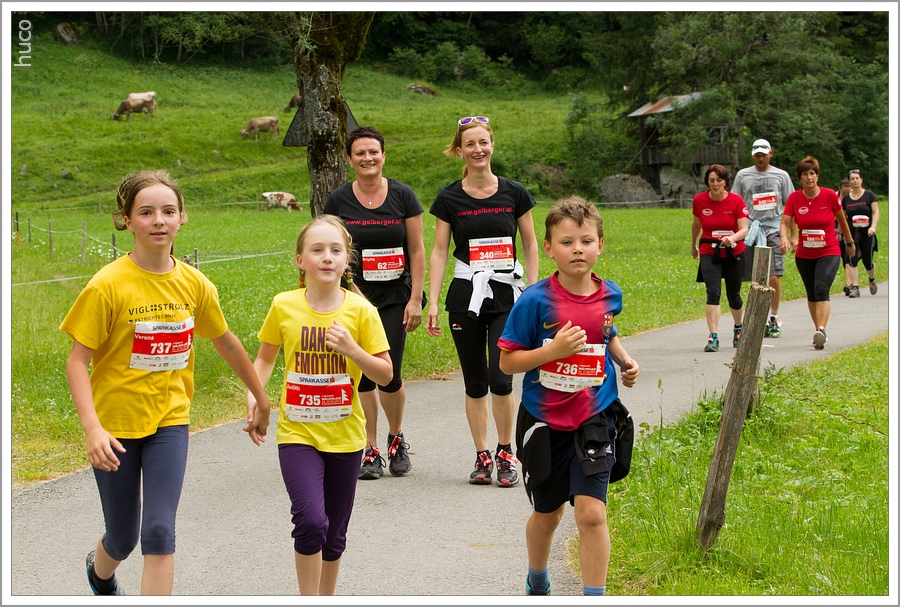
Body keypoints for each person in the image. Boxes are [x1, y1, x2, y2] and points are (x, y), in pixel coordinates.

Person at [60, 170, 271, 596]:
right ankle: (100, 573)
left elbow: (225, 341)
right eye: (146, 212)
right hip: (115, 427)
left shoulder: (194, 284)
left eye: (168, 211)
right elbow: (77, 361)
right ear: (127, 221)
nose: (158, 220)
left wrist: (261, 398)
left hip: (169, 422)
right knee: (123, 537)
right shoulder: (107, 285)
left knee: (158, 530)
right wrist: (92, 429)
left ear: (182, 218)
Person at [497, 196, 640, 596]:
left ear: (600, 245)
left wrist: (625, 360)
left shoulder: (610, 295)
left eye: (586, 241)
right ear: (548, 248)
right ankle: (537, 578)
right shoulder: (535, 300)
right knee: (547, 513)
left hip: (595, 416)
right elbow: (507, 363)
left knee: (592, 514)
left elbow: (606, 333)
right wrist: (552, 352)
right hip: (544, 421)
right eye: (567, 242)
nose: (578, 249)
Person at [244, 215, 392, 595]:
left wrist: (353, 350)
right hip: (298, 433)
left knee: (335, 533)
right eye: (317, 250)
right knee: (311, 522)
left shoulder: (362, 311)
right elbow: (264, 359)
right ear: (300, 260)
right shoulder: (284, 305)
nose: (327, 257)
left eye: (335, 250)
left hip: (346, 436)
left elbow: (385, 374)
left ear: (346, 261)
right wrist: (255, 395)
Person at [426, 115, 540, 487]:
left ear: (492, 145)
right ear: (460, 150)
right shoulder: (449, 197)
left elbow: (530, 243)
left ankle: (506, 452)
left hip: (507, 296)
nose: (478, 150)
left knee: (501, 378)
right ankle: (482, 454)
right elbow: (439, 250)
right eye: (470, 144)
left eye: (483, 142)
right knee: (475, 382)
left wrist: (534, 291)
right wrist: (432, 301)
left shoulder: (514, 192)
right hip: (466, 297)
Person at [323, 126, 425, 480]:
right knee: (363, 377)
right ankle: (370, 448)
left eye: (373, 152)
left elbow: (417, 250)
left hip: (396, 297)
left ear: (383, 155)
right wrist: (349, 291)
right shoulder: (338, 200)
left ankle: (396, 438)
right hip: (354, 298)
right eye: (360, 153)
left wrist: (416, 299)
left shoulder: (403, 195)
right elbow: (332, 249)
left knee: (388, 373)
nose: (368, 158)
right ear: (350, 160)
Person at [780, 156, 855, 350]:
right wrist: (784, 238)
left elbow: (842, 220)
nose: (809, 177)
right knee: (812, 293)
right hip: (805, 254)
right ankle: (818, 331)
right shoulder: (795, 198)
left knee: (821, 288)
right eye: (805, 174)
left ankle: (821, 329)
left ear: (817, 176)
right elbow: (785, 221)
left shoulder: (829, 195)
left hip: (828, 251)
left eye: (812, 173)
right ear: (800, 178)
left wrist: (849, 242)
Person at [731, 138, 795, 338]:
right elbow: (733, 203)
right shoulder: (743, 175)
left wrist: (792, 236)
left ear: (771, 154)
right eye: (757, 155)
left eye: (764, 155)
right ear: (753, 156)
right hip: (750, 230)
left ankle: (773, 318)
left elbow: (791, 206)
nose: (760, 159)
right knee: (753, 277)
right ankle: (756, 318)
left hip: (773, 228)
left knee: (774, 275)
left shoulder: (781, 176)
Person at [691, 164, 750, 352]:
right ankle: (713, 336)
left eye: (719, 180)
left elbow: (744, 229)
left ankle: (738, 327)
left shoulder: (736, 201)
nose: (715, 184)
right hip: (709, 251)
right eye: (711, 181)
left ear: (725, 182)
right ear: (707, 182)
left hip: (733, 252)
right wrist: (693, 245)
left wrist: (732, 238)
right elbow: (696, 224)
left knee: (734, 295)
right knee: (713, 292)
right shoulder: (700, 200)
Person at [842, 169, 880, 297]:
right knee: (852, 259)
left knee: (867, 262)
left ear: (861, 180)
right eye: (852, 179)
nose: (855, 181)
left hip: (867, 233)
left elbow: (876, 212)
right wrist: (841, 232)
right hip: (852, 234)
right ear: (849, 182)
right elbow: (843, 217)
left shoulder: (869, 195)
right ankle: (855, 288)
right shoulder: (846, 199)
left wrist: (873, 227)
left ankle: (871, 279)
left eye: (857, 178)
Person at [835, 178, 854, 295]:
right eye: (844, 193)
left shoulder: (852, 198)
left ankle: (849, 283)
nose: (846, 196)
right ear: (840, 189)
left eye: (848, 193)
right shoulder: (834, 196)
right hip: (834, 226)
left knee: (847, 256)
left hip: (847, 228)